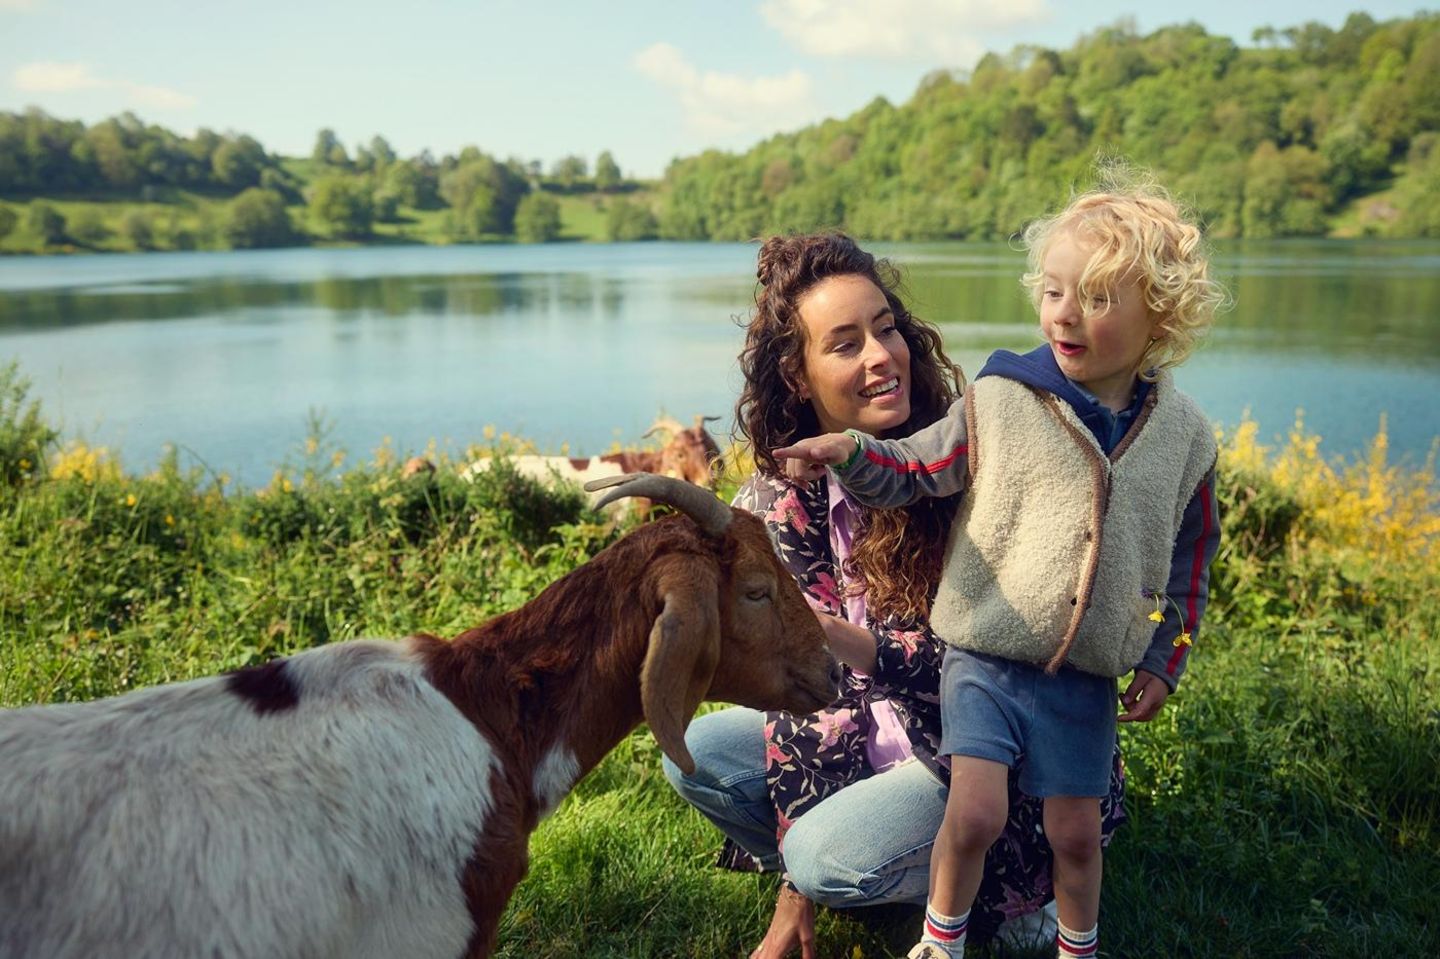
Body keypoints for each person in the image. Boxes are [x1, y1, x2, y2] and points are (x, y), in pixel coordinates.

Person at [776, 180, 1225, 959]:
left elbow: (1190, 559)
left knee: (1076, 833)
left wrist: (1166, 653)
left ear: (1160, 313)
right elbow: (918, 466)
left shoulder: (1186, 437)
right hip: (981, 657)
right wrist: (850, 451)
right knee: (975, 812)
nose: (1062, 313)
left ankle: (1075, 941)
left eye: (1093, 297)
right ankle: (940, 940)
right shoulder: (1000, 399)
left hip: (1084, 676)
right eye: (1053, 292)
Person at [662, 232, 1126, 959]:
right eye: (845, 344)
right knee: (692, 751)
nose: (882, 355)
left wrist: (839, 639)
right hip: (868, 731)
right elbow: (799, 692)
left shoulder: (965, 455)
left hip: (993, 748)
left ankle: (1011, 895)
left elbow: (991, 658)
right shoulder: (778, 497)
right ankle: (878, 872)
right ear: (798, 375)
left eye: (886, 329)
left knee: (824, 857)